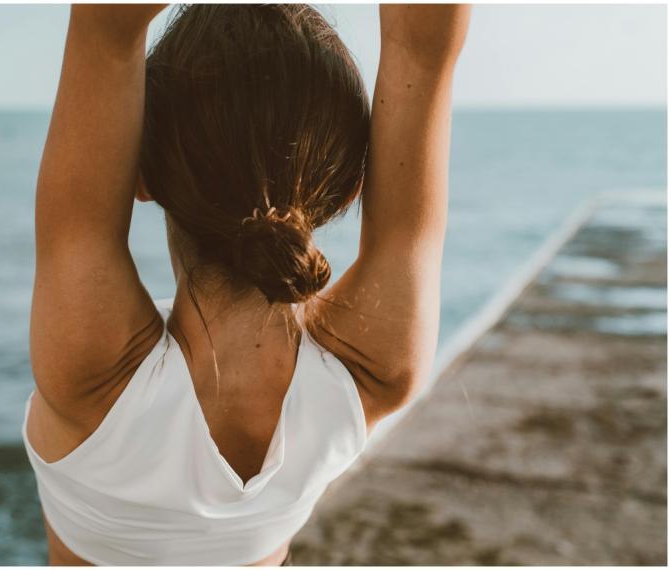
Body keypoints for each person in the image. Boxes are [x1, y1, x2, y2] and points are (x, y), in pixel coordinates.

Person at [23, 3, 470, 566]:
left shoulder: (92, 377)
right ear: (353, 185)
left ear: (138, 172)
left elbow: (105, 27)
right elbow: (422, 54)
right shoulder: (371, 372)